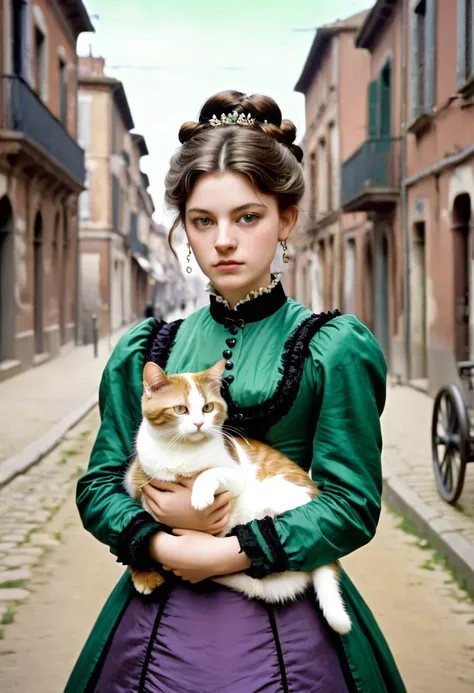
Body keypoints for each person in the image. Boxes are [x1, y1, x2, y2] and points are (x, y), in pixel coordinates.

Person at [65, 90, 406, 693]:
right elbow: (98, 484)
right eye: (203, 221)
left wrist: (227, 552)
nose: (223, 240)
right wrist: (160, 544)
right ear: (185, 229)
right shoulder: (147, 351)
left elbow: (352, 504)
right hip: (158, 612)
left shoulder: (333, 347)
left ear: (286, 220)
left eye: (247, 217)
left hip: (286, 599)